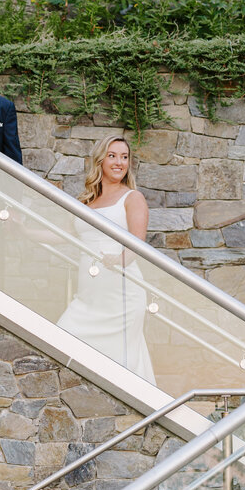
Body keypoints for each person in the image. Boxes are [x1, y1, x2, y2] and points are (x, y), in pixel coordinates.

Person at [57, 136, 155, 383]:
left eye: (124, 157)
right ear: (100, 160)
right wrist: (22, 229)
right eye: (112, 155)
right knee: (63, 336)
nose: (119, 162)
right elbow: (64, 234)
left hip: (121, 295)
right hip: (88, 298)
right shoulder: (86, 201)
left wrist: (121, 260)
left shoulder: (133, 198)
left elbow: (138, 243)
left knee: (123, 362)